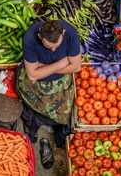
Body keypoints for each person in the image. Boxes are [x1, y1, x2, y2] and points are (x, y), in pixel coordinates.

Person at [16, 20, 81, 168]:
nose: (52, 50)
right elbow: (32, 75)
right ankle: (31, 131)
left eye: (56, 46)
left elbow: (76, 66)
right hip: (34, 84)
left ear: (63, 33)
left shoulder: (70, 33)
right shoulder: (30, 38)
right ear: (40, 36)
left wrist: (44, 68)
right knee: (30, 106)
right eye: (47, 46)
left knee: (64, 111)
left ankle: (57, 138)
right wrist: (62, 63)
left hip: (60, 82)